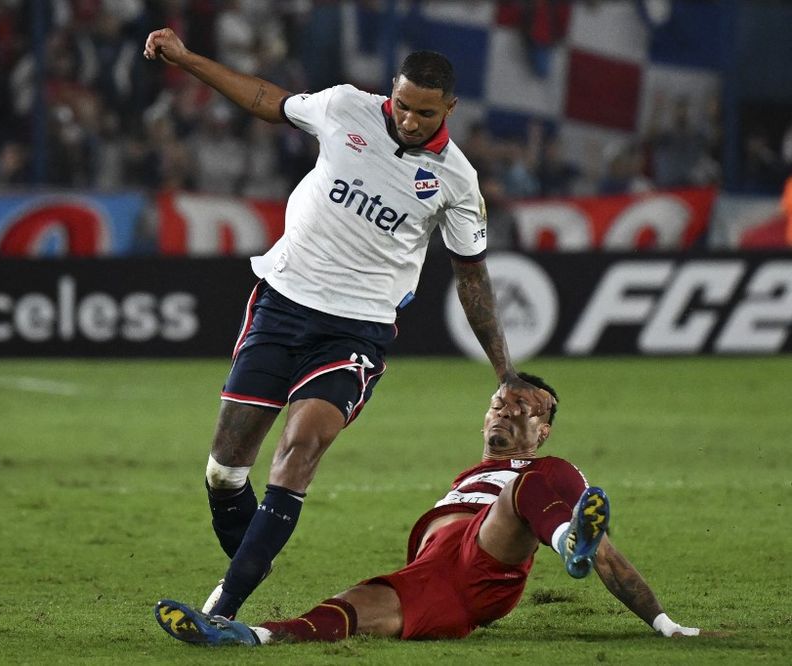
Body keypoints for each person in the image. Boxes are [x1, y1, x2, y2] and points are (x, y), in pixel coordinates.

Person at [143, 28, 555, 621]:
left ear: (450, 108)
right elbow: (266, 99)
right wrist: (187, 60)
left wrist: (504, 370)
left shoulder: (457, 181)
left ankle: (224, 606)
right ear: (391, 91)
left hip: (356, 331)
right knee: (225, 471)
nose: (409, 121)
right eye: (403, 105)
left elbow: (472, 278)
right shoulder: (343, 108)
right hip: (282, 305)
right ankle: (255, 552)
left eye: (426, 113)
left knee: (302, 444)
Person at [153, 373, 701, 645]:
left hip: (489, 562)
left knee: (528, 487)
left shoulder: (548, 473)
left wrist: (665, 624)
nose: (505, 412)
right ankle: (244, 635)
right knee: (344, 610)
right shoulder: (468, 478)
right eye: (499, 403)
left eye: (524, 409)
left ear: (543, 430)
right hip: (433, 576)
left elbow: (610, 556)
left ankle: (566, 543)